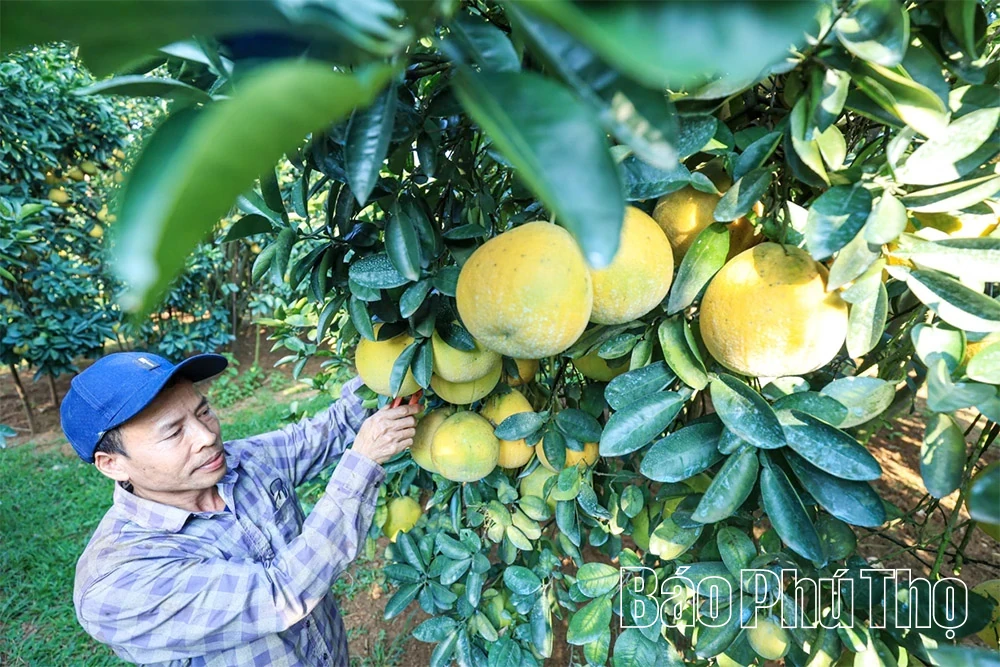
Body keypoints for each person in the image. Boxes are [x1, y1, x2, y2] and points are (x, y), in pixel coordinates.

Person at [59, 351, 419, 666]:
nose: (206, 436)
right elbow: (280, 594)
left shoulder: (240, 462)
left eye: (204, 412)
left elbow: (330, 430)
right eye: (173, 433)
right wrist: (362, 462)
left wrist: (404, 357)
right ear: (112, 464)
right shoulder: (116, 584)